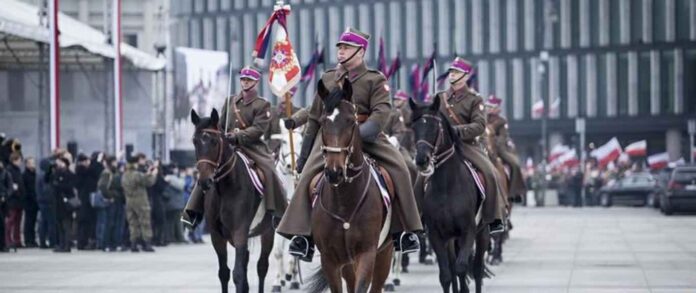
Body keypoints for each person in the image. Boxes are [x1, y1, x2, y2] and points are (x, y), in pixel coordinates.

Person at [277, 27, 423, 261]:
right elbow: (315, 116)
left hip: (367, 137)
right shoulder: (328, 78)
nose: (341, 52)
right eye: (340, 48)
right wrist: (303, 157)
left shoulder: (375, 79)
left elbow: (381, 113)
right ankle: (302, 236)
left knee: (403, 169)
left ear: (360, 52)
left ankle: (406, 231)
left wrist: (358, 134)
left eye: (346, 48)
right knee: (307, 178)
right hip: (334, 137)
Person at [181, 66, 288, 229]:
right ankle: (192, 212)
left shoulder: (262, 104)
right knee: (206, 167)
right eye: (243, 80)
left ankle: (277, 212)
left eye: (249, 80)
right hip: (229, 145)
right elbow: (221, 124)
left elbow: (259, 129)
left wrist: (237, 136)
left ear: (256, 82)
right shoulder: (229, 101)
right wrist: (221, 135)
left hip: (252, 147)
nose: (245, 83)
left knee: (269, 170)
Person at [430, 57, 505, 234]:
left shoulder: (475, 99)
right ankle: (419, 219)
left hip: (467, 145)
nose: (451, 75)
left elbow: (479, 126)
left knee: (491, 173)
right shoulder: (440, 98)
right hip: (442, 147)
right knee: (419, 177)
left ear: (465, 75)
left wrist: (455, 131)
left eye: (456, 72)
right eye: (451, 71)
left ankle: (493, 217)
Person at [485, 95, 527, 200]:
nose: (489, 108)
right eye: (488, 106)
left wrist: (495, 143)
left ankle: (514, 192)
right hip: (483, 146)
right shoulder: (482, 119)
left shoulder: (502, 121)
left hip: (499, 149)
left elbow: (503, 136)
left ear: (498, 108)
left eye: (492, 106)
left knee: (514, 164)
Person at [121, 153, 158, 252]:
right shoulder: (137, 174)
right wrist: (153, 175)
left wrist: (147, 173)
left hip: (129, 201)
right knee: (145, 222)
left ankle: (133, 244)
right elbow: (148, 182)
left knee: (133, 223)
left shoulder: (124, 175)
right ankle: (147, 244)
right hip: (141, 201)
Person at [51, 157, 77, 253]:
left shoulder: (69, 174)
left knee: (66, 225)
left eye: (61, 163)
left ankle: (67, 245)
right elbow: (50, 181)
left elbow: (69, 187)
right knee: (60, 226)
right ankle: (61, 244)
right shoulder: (57, 173)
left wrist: (59, 184)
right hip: (58, 203)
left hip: (66, 203)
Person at [4, 153, 25, 249]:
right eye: (19, 160)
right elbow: (11, 185)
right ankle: (7, 240)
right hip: (13, 200)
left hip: (19, 199)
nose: (20, 162)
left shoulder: (18, 170)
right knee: (10, 221)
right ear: (14, 160)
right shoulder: (9, 170)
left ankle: (17, 240)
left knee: (18, 221)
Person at [22, 157, 39, 248]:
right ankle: (28, 240)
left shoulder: (35, 174)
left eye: (33, 162)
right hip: (29, 202)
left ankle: (32, 239)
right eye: (31, 163)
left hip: (35, 201)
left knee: (33, 222)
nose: (33, 164)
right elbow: (25, 189)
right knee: (28, 222)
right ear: (27, 164)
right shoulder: (25, 175)